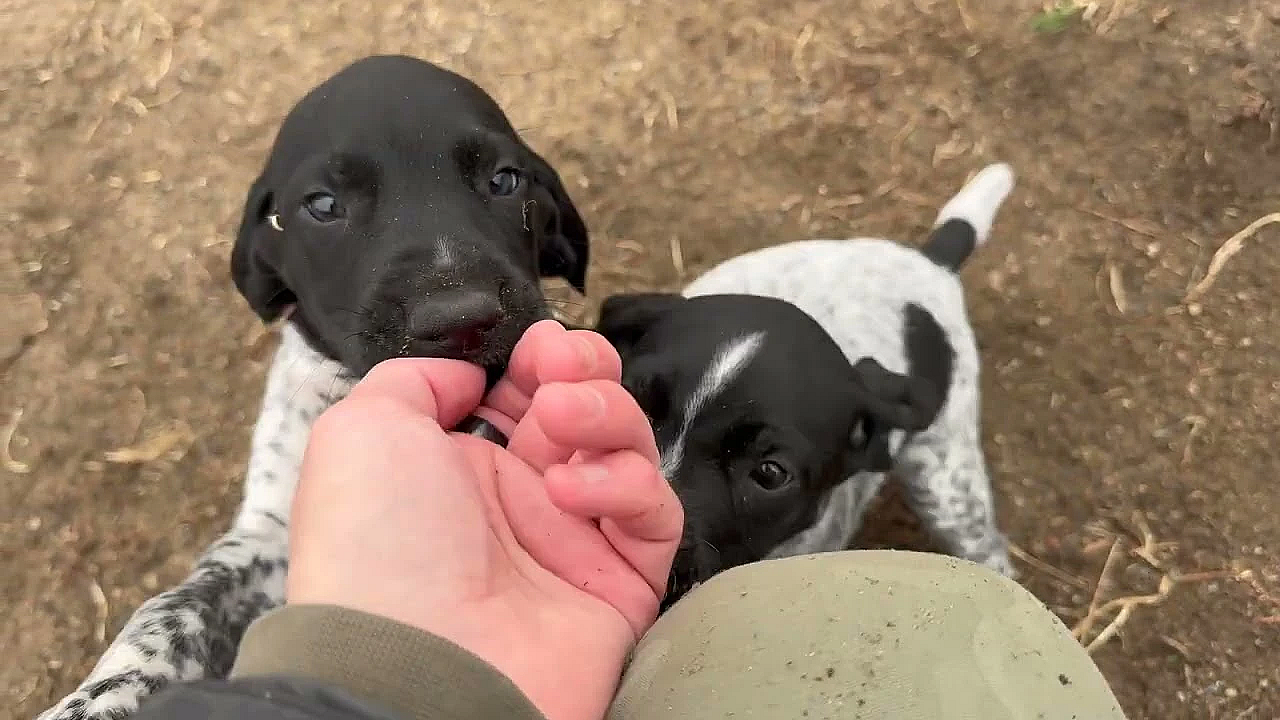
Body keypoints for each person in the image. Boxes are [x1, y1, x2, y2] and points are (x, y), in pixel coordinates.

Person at [131, 320, 1129, 720]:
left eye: (767, 470)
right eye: (648, 406)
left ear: (866, 457)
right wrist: (409, 661)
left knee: (973, 552)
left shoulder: (884, 423)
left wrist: (376, 678)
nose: (645, 486)